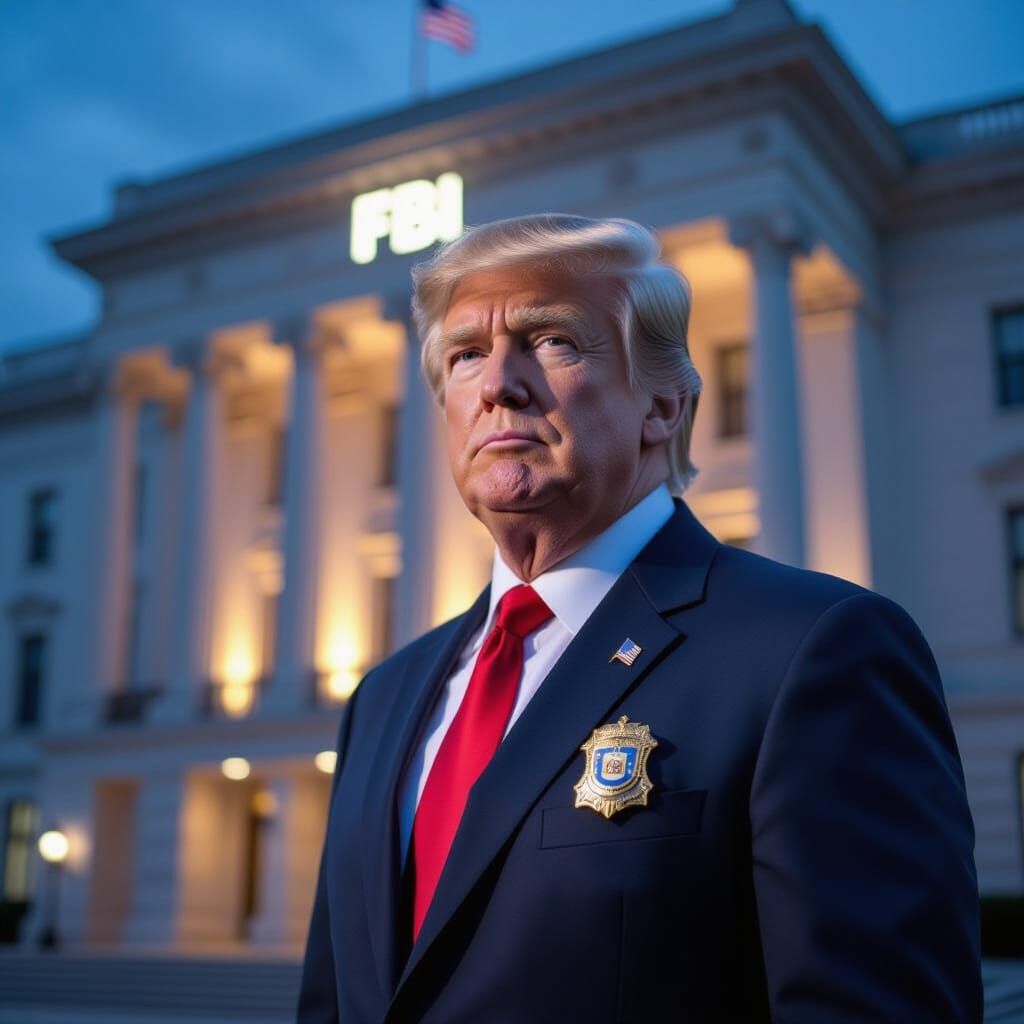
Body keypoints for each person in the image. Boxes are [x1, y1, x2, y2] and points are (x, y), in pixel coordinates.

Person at [297, 214, 982, 1023]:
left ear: (663, 404)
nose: (497, 385)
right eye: (465, 355)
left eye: (551, 340)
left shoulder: (814, 651)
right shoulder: (382, 699)